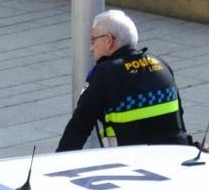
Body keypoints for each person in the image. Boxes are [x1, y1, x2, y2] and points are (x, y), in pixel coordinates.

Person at [57, 9, 190, 152]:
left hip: (130, 163)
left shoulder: (104, 74)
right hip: (177, 156)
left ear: (108, 40)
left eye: (93, 40)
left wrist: (57, 163)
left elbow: (79, 126)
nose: (91, 48)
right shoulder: (161, 65)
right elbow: (179, 119)